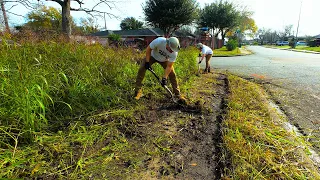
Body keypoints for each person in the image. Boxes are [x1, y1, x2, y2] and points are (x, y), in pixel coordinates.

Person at [134, 37, 186, 103]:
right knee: (141, 69)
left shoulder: (175, 53)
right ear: (167, 44)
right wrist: (147, 62)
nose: (172, 51)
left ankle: (177, 94)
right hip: (152, 56)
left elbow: (169, 66)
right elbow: (148, 49)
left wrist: (164, 78)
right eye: (171, 49)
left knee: (172, 74)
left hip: (164, 60)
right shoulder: (159, 41)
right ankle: (138, 91)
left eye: (173, 50)